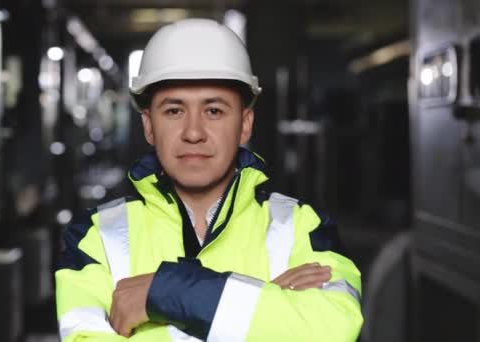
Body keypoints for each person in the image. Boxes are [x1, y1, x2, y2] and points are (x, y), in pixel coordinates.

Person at [55, 18, 362, 341]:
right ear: (148, 125)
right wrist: (263, 303)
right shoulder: (96, 238)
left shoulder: (303, 227)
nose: (193, 133)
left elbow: (333, 330)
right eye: (174, 111)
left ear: (245, 124)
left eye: (213, 111)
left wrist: (167, 293)